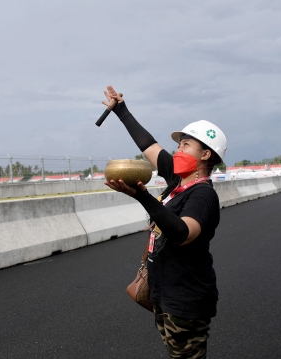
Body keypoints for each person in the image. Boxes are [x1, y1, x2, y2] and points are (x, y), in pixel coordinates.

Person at [102, 86, 227, 359]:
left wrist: (143, 197)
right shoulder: (177, 181)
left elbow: (182, 233)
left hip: (186, 300)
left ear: (205, 155)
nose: (177, 149)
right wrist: (121, 110)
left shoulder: (203, 194)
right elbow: (148, 144)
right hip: (165, 294)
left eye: (185, 144)